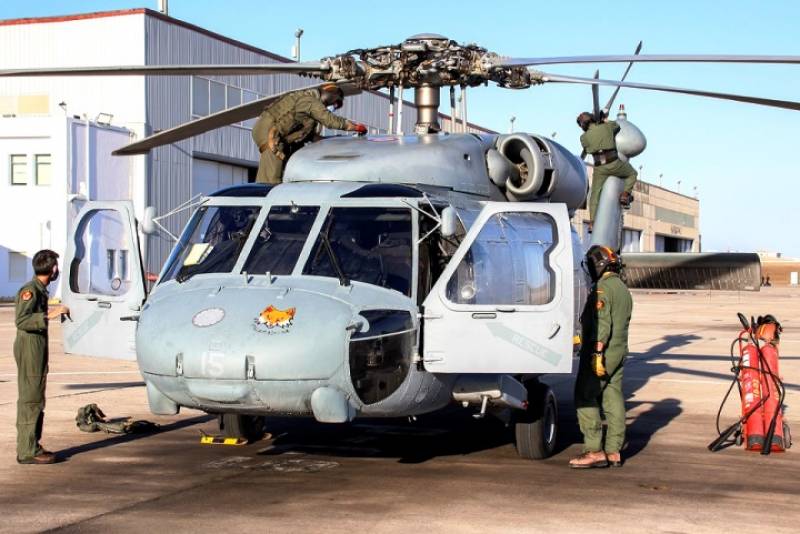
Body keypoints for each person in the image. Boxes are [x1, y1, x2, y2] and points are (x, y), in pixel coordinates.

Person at [571, 245, 633, 469]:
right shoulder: (623, 289)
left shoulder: (603, 288)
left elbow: (602, 322)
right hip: (619, 351)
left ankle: (594, 450)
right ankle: (614, 450)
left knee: (585, 395)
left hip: (602, 352)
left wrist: (597, 352)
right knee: (612, 396)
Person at [14, 249, 69, 465]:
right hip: (30, 348)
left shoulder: (39, 290)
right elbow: (22, 320)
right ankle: (28, 450)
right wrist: (50, 315)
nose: (57, 270)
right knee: (31, 398)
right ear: (52, 269)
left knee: (36, 397)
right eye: (56, 266)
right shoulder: (30, 290)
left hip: (35, 348)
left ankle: (32, 444)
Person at [252, 84, 368, 184]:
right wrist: (355, 127)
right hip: (271, 132)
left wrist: (331, 141)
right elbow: (330, 120)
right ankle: (265, 195)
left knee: (290, 165)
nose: (331, 107)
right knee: (271, 178)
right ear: (330, 95)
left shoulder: (309, 109)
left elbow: (309, 136)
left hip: (280, 135)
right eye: (334, 103)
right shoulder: (310, 101)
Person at [577, 112, 638, 229]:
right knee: (632, 174)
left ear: (583, 125)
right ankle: (625, 194)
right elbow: (617, 126)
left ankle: (592, 222)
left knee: (595, 194)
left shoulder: (583, 138)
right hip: (614, 163)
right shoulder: (607, 127)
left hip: (600, 168)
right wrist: (604, 120)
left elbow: (587, 148)